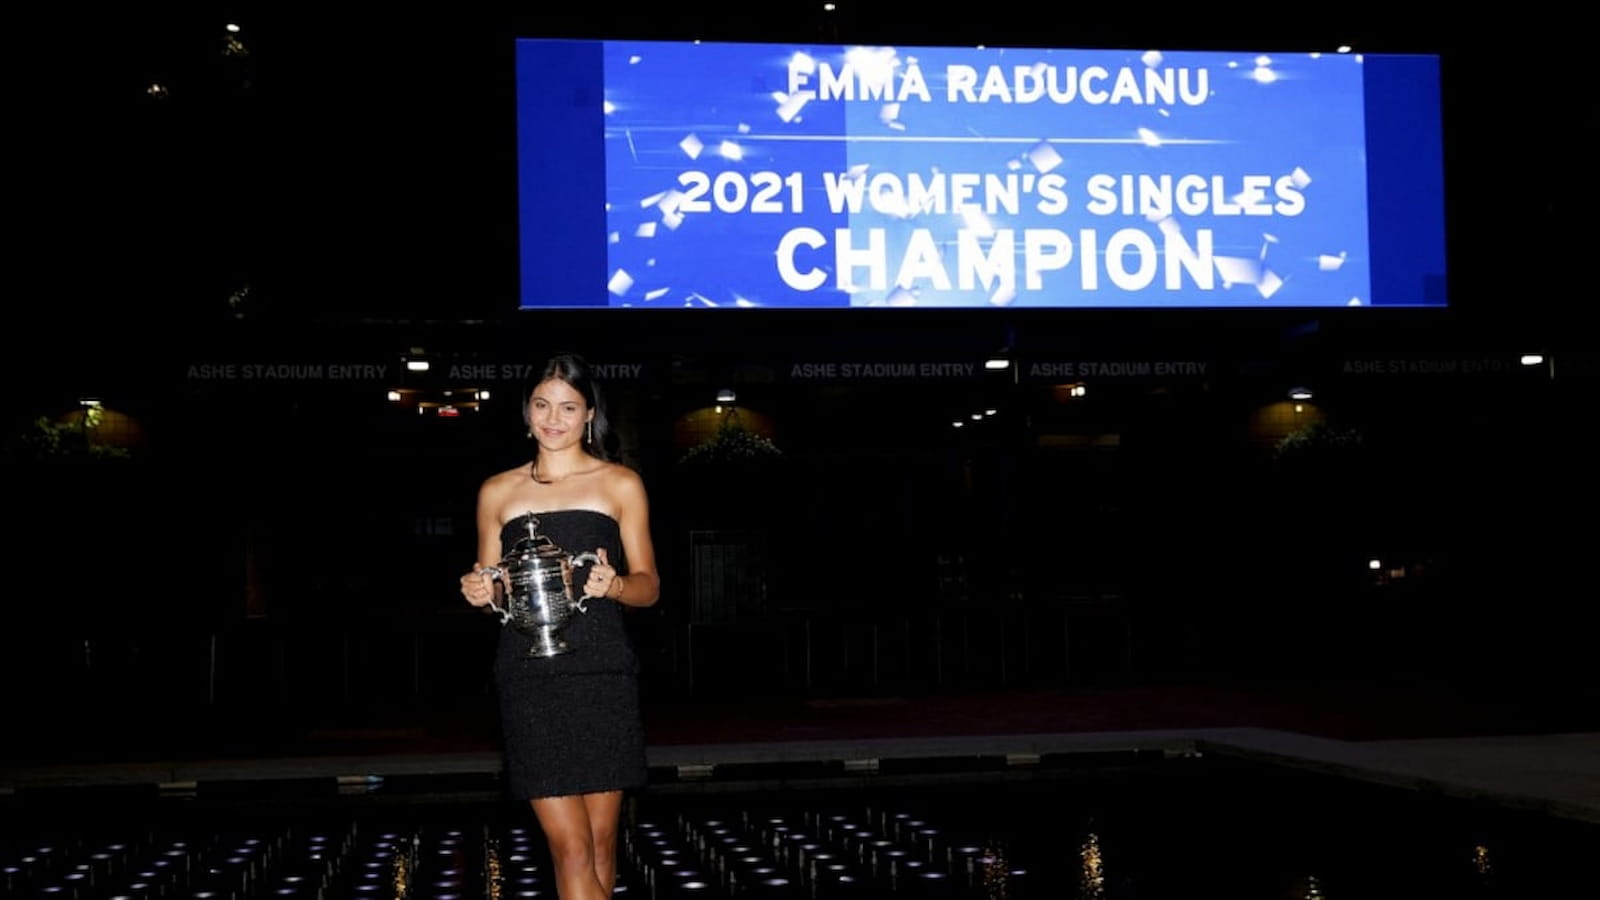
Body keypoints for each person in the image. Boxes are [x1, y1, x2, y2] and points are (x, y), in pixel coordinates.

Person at [459, 352, 660, 900]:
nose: (553, 419)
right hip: (530, 679)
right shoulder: (497, 492)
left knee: (598, 844)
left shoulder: (620, 484)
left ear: (589, 413)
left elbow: (649, 585)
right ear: (526, 412)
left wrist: (613, 586)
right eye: (542, 405)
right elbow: (491, 588)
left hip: (602, 673)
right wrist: (481, 593)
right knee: (570, 848)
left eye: (568, 407)